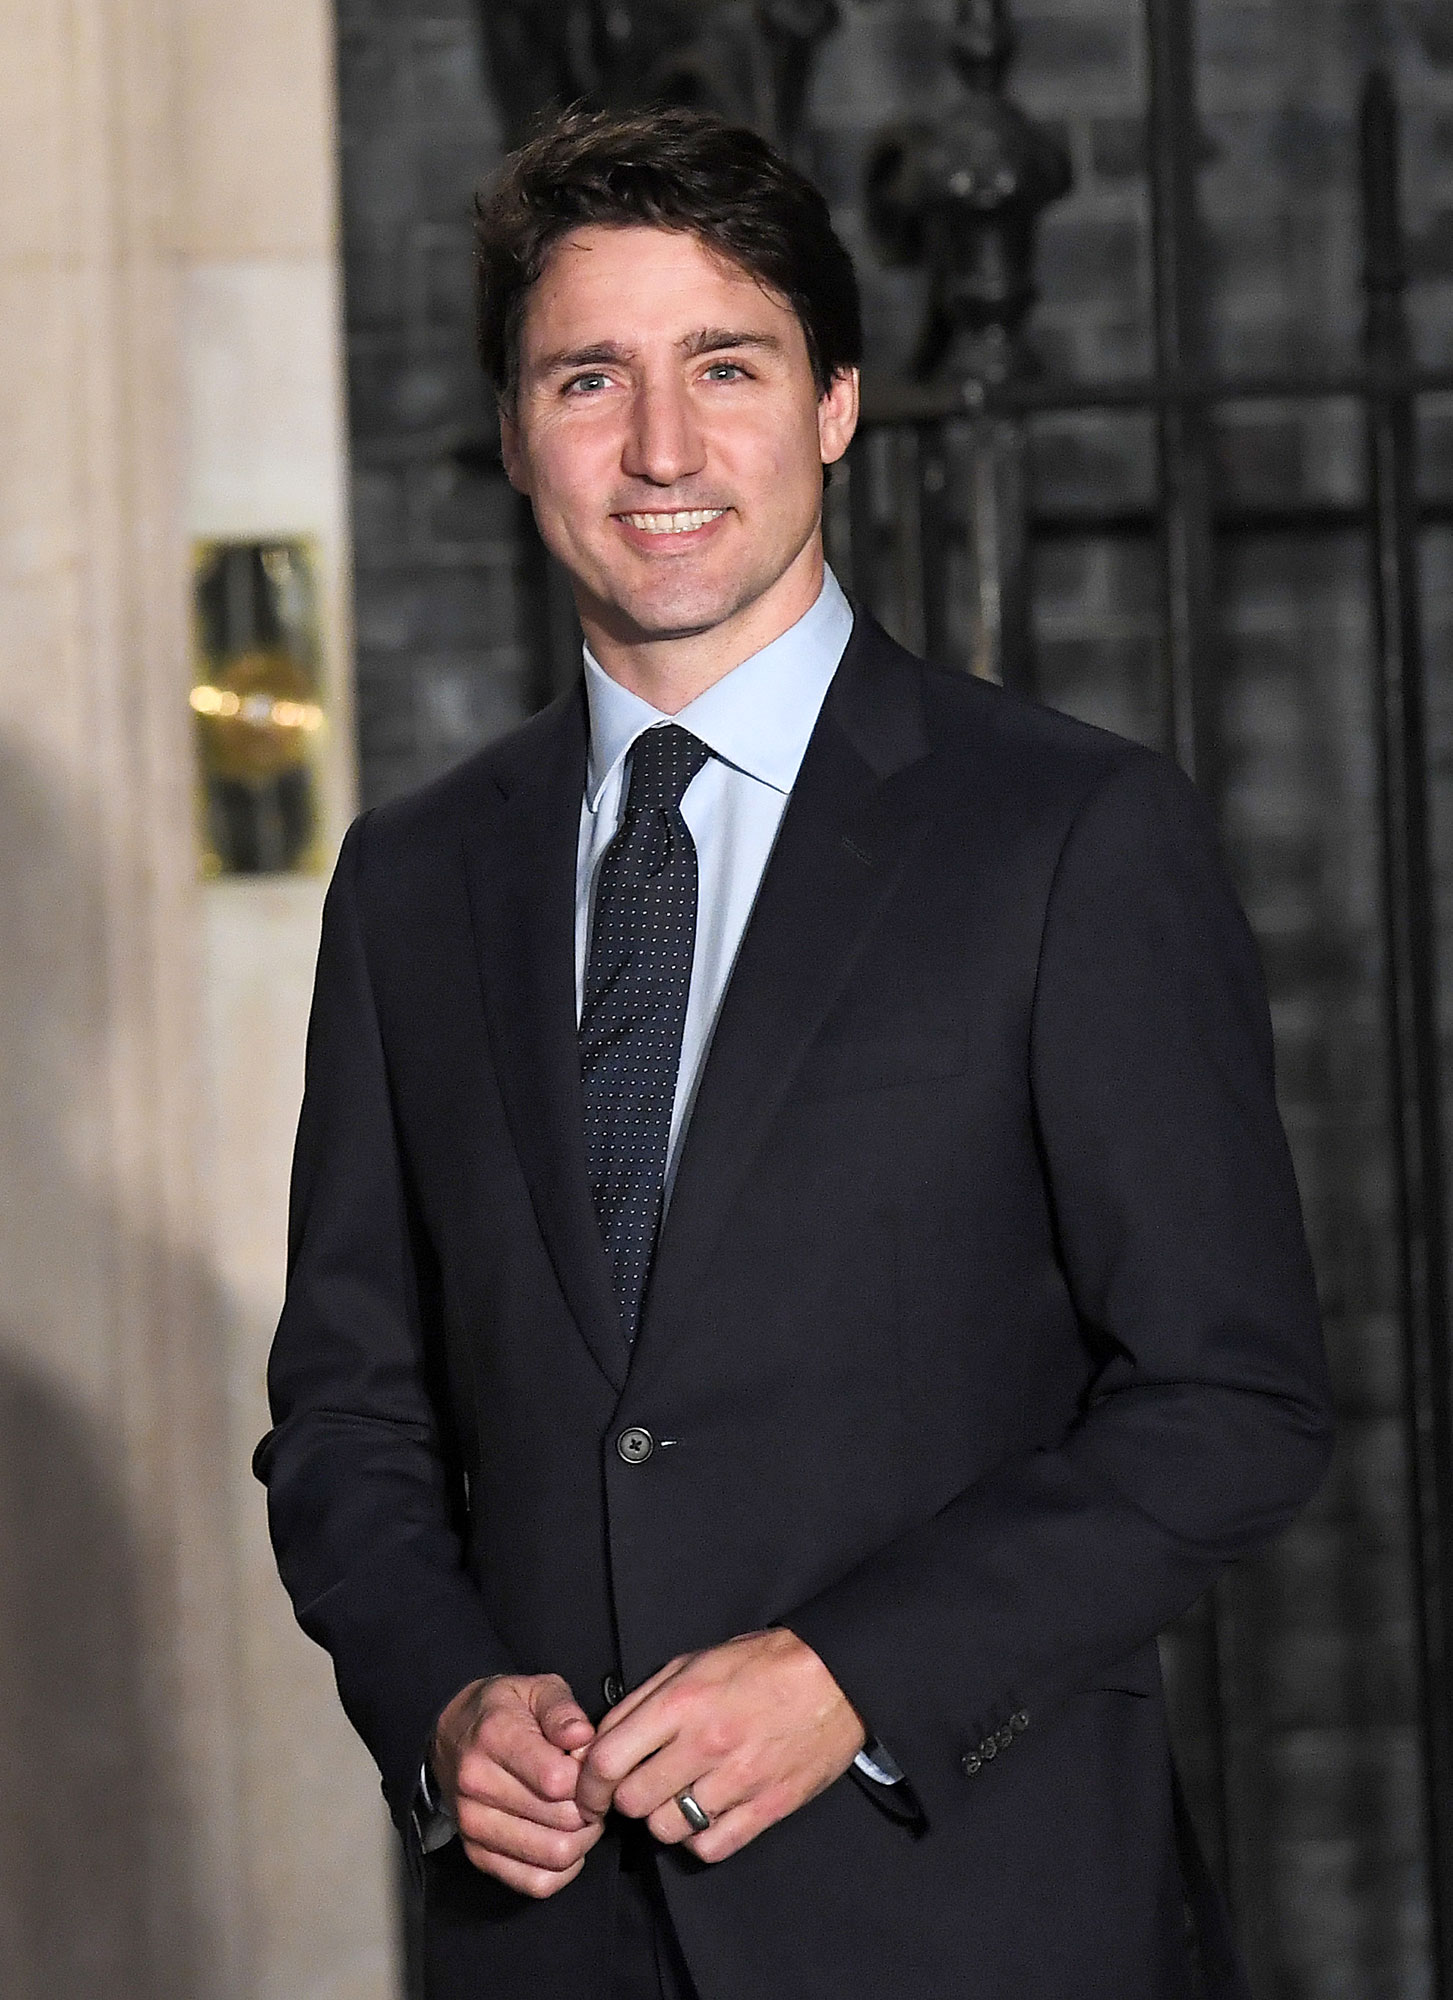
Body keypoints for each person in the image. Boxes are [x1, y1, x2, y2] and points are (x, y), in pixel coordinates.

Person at [255, 105, 1333, 2000]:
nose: (660, 448)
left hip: (975, 1924)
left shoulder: (1067, 835)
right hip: (554, 1940)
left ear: (834, 403)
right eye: (588, 378)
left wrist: (852, 1677)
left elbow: (1228, 1401)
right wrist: (437, 1699)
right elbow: (348, 1413)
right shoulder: (411, 882)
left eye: (725, 367)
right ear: (512, 432)